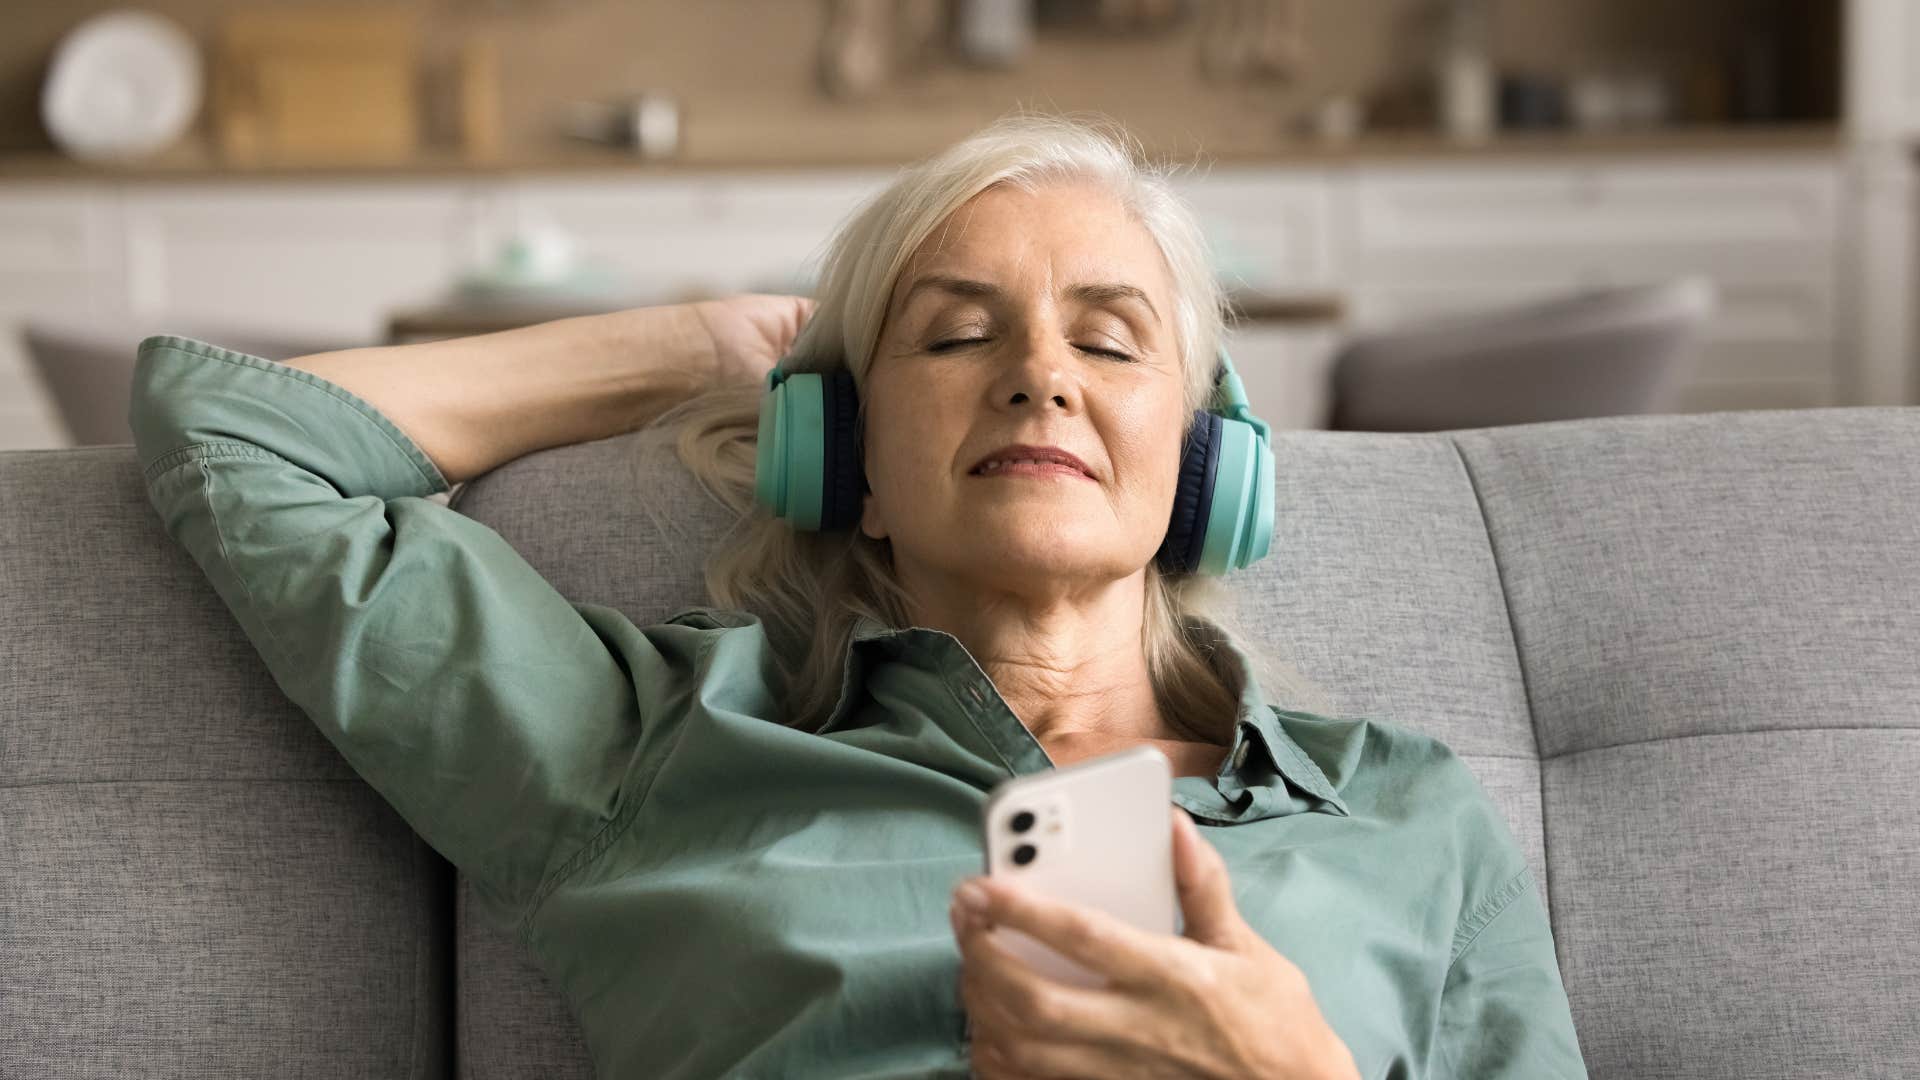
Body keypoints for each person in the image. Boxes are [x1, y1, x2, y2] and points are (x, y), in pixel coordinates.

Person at [128, 112, 1587, 1079]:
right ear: (849, 463)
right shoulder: (654, 753)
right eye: (955, 335)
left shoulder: (1405, 818)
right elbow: (229, 435)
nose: (1041, 374)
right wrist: (689, 352)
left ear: (1203, 468)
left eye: (1113, 341)